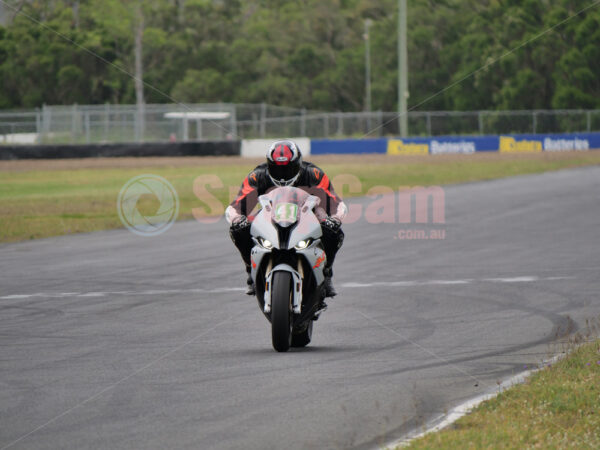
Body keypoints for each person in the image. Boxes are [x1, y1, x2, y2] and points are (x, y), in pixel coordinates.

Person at [226, 139, 347, 303]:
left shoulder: (314, 174)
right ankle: (251, 270)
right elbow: (236, 206)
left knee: (333, 231)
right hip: (270, 215)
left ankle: (326, 274)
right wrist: (237, 219)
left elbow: (336, 203)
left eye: (288, 169)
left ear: (298, 164)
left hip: (307, 216)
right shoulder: (257, 176)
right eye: (277, 169)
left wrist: (335, 219)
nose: (283, 174)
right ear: (269, 165)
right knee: (238, 229)